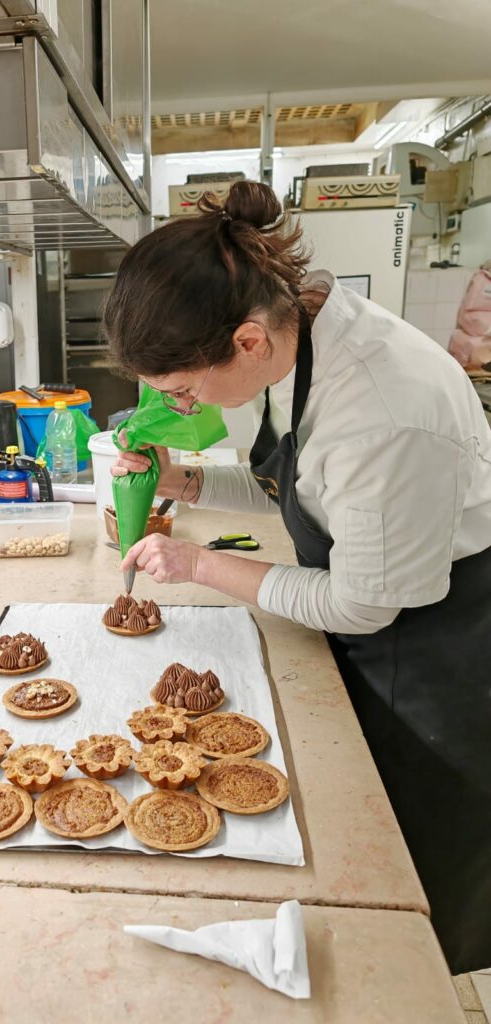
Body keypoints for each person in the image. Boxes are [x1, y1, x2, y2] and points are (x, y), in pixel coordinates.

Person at [103, 180, 491, 975]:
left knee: (422, 859)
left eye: (182, 391)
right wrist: (189, 484)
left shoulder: (383, 410)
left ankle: (406, 987)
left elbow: (361, 603)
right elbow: (301, 486)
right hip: (384, 603)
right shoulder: (303, 330)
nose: (179, 408)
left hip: (442, 646)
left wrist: (202, 564)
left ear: (246, 342)